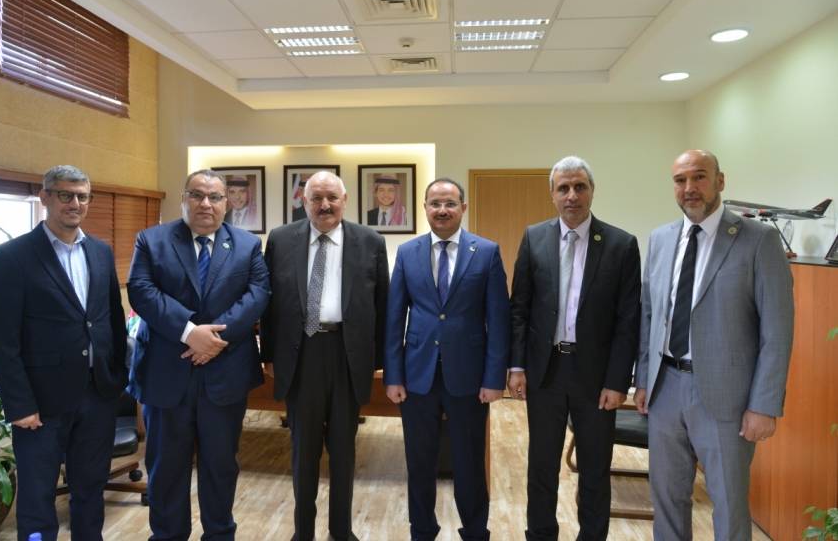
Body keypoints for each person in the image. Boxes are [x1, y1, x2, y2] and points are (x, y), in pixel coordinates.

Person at [634, 150, 793, 540]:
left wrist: (764, 404)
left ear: (720, 181)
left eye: (699, 177)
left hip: (727, 398)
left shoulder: (758, 240)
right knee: (667, 498)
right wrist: (642, 380)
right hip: (665, 388)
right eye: (680, 180)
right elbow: (649, 315)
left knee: (729, 502)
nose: (689, 187)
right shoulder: (660, 239)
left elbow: (777, 330)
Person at [0, 165, 127, 541]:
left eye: (82, 196)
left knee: (90, 491)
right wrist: (19, 405)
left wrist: (116, 377)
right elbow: (2, 340)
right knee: (37, 497)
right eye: (65, 195)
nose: (75, 203)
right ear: (45, 196)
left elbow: (111, 320)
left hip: (97, 396)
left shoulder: (100, 252)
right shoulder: (13, 256)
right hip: (40, 404)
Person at [127, 169, 270, 540]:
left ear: (226, 203)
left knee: (221, 466)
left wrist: (214, 338)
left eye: (215, 197)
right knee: (166, 468)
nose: (206, 203)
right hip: (166, 375)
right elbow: (141, 290)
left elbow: (258, 295)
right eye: (197, 195)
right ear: (184, 199)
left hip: (225, 375)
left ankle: (219, 534)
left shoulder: (247, 245)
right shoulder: (152, 240)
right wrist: (190, 332)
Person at [508, 156, 641, 541]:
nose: (572, 195)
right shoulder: (534, 238)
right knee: (542, 465)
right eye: (563, 188)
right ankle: (541, 534)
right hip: (545, 371)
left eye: (579, 186)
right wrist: (516, 366)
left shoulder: (620, 244)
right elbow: (520, 309)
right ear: (552, 194)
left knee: (595, 468)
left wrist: (618, 381)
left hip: (596, 378)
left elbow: (627, 321)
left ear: (592, 191)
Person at [260, 171, 389, 541]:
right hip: (302, 355)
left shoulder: (370, 241)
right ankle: (303, 533)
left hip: (348, 355)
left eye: (332, 197)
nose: (325, 205)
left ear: (345, 200)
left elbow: (383, 305)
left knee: (344, 451)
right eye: (316, 198)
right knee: (304, 450)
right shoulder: (281, 239)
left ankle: (341, 531)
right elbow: (269, 305)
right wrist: (269, 355)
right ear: (304, 202)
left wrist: (380, 362)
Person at [384, 177, 510, 541]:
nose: (442, 210)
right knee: (419, 461)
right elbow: (394, 319)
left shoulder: (486, 252)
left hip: (469, 376)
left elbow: (498, 320)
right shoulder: (407, 253)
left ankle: (475, 531)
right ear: (425, 208)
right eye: (435, 203)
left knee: (469, 462)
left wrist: (494, 378)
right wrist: (393, 375)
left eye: (450, 203)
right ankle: (422, 530)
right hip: (417, 375)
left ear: (463, 208)